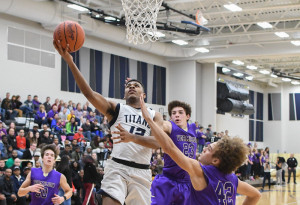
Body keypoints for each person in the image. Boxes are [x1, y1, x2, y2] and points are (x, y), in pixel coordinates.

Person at [54, 41, 163, 205]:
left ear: (144, 94)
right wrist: (70, 61)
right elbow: (89, 94)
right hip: (117, 168)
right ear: (124, 93)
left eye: (136, 85)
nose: (131, 87)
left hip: (142, 172)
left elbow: (157, 142)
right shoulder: (116, 109)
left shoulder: (155, 115)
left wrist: (131, 137)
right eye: (128, 86)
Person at [139, 95, 261, 205]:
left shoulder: (201, 172)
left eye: (208, 149)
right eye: (174, 113)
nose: (204, 150)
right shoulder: (232, 179)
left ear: (215, 160)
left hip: (178, 180)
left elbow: (169, 148)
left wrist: (149, 120)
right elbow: (256, 195)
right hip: (171, 180)